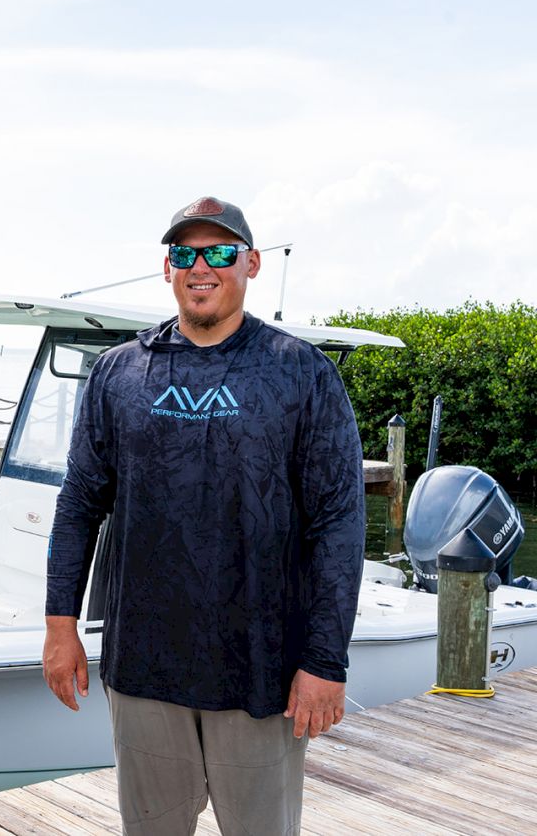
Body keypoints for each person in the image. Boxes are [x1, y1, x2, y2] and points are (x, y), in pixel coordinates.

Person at [42, 196, 365, 836]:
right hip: (143, 667)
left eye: (218, 252)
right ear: (168, 269)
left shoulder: (303, 374)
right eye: (184, 253)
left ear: (250, 263)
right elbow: (80, 502)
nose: (201, 267)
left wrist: (325, 660)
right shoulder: (118, 374)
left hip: (262, 670)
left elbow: (339, 523)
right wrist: (60, 626)